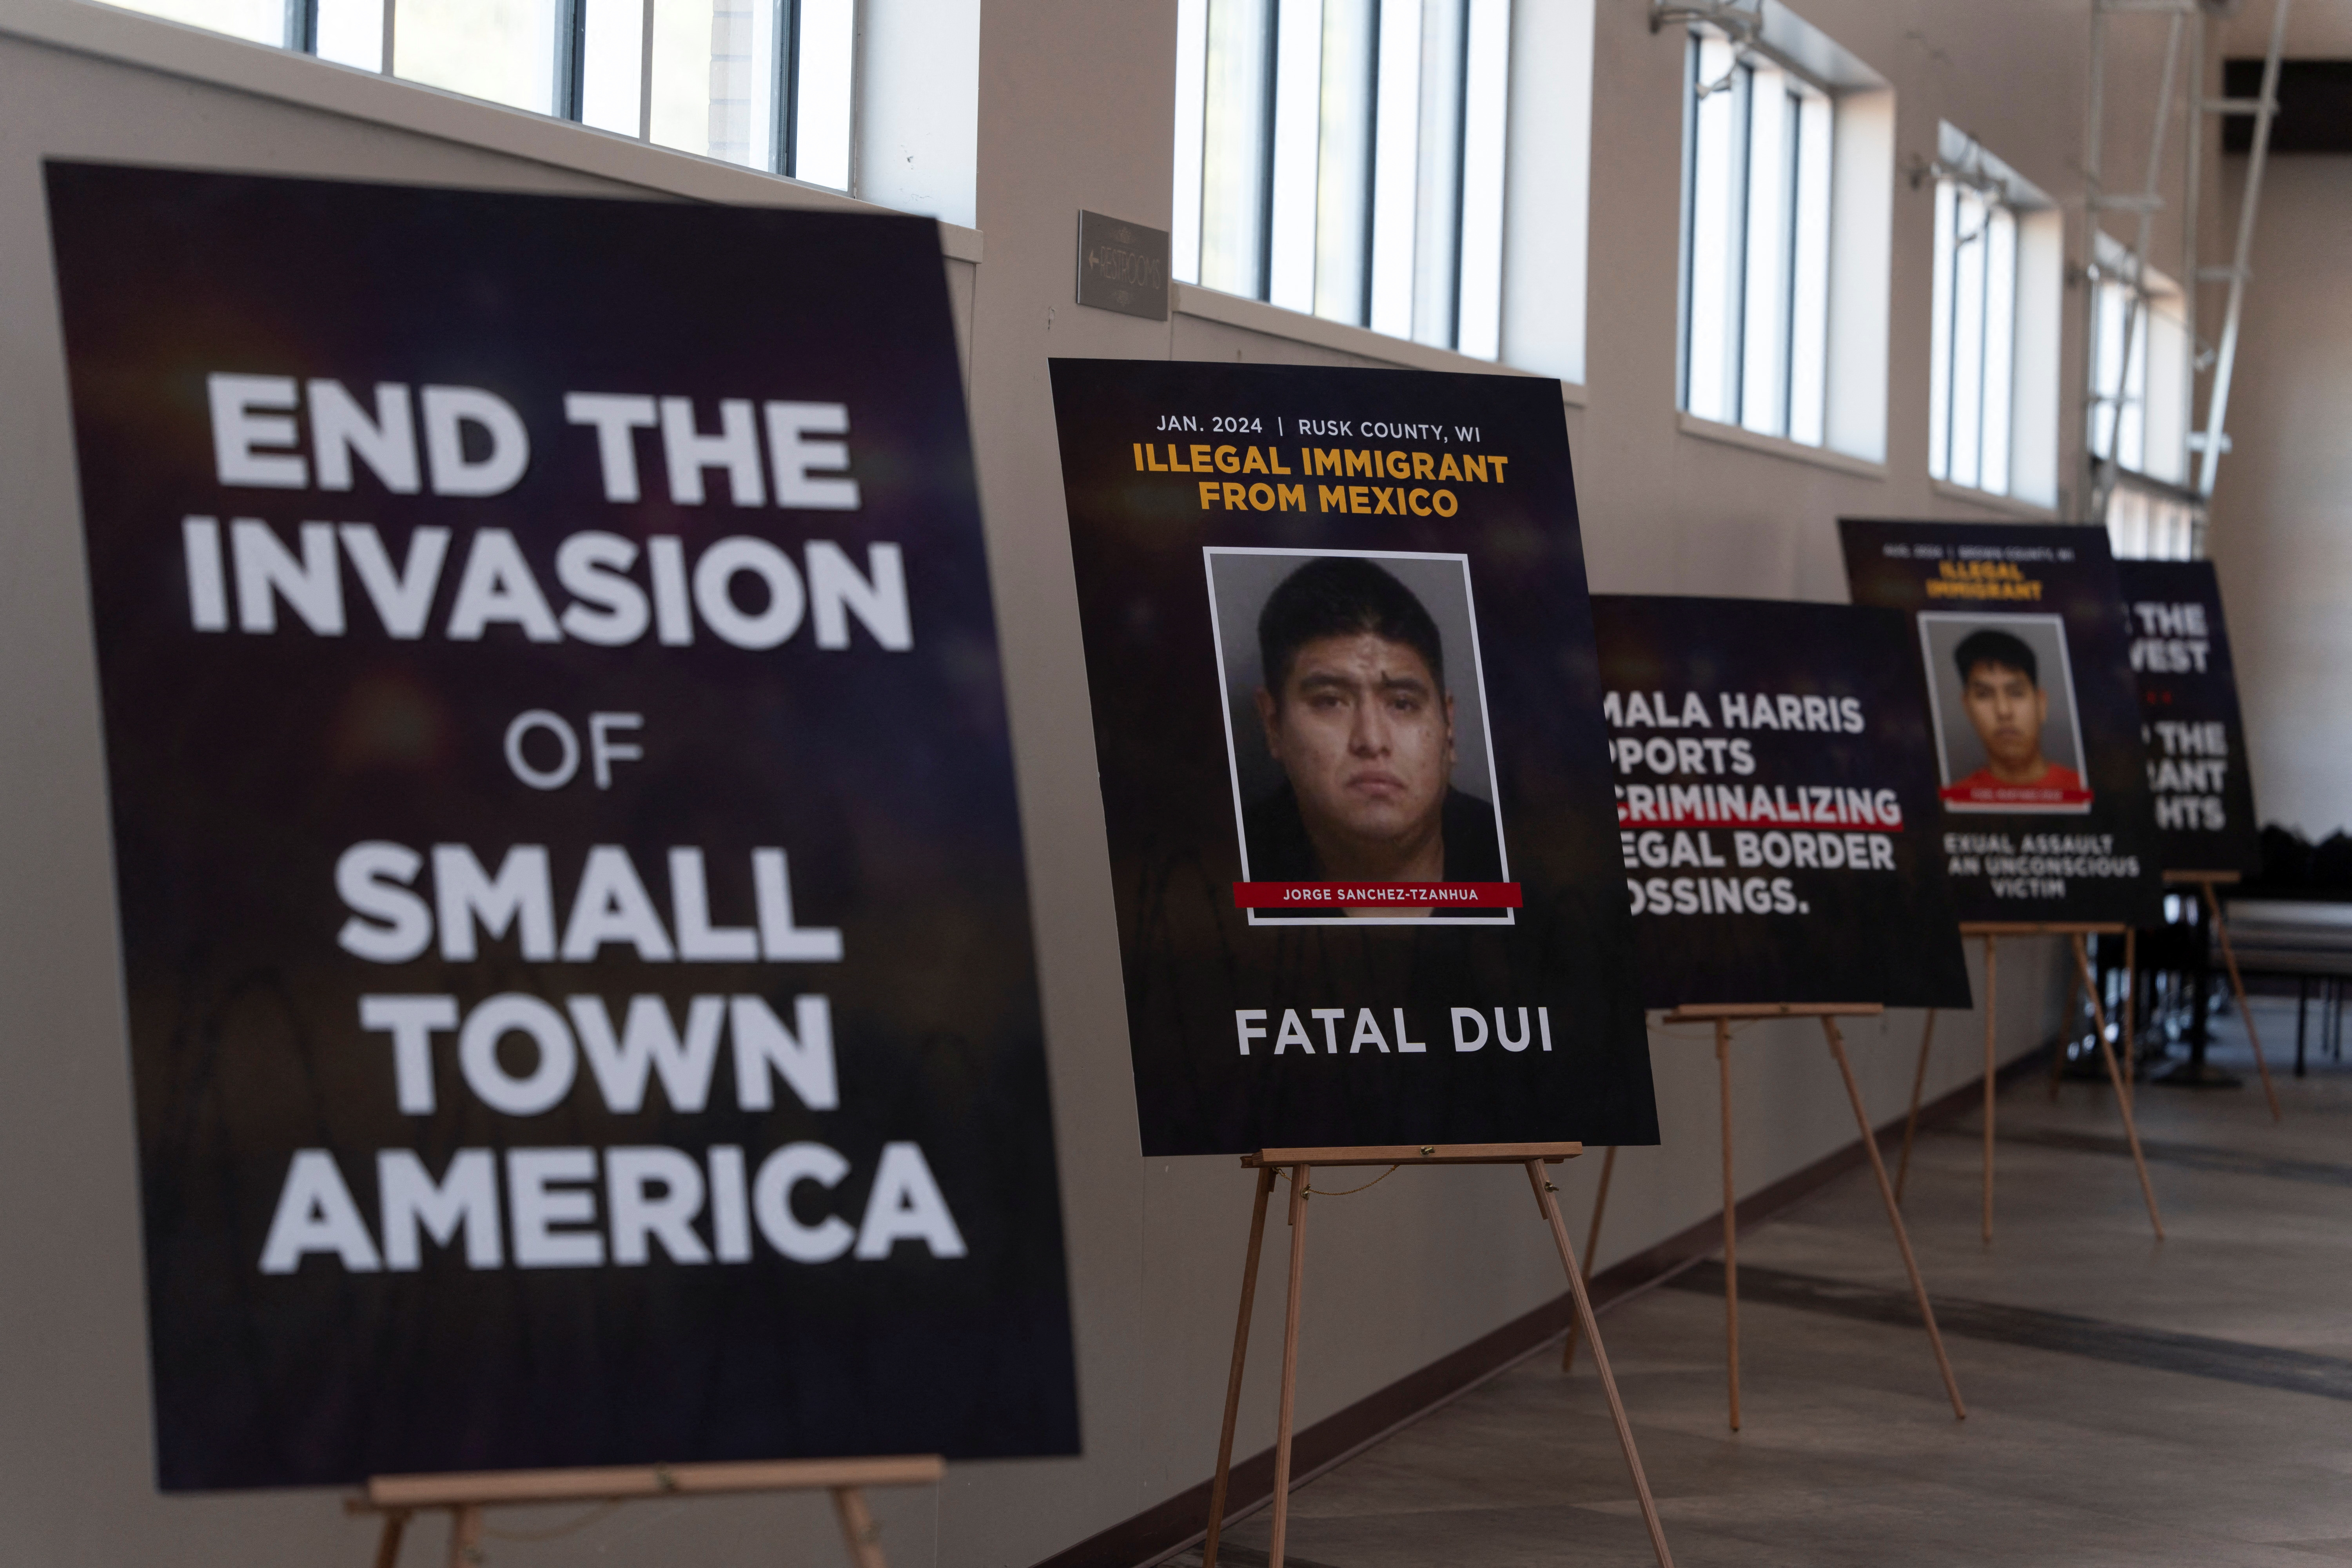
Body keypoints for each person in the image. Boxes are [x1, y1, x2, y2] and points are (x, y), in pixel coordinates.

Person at [1241, 556, 1503, 918]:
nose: (1372, 740)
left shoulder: (1527, 859)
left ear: (1449, 728)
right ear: (1273, 725)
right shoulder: (1221, 878)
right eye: (1331, 701)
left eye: (1402, 703)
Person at [1946, 626, 2087, 803]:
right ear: (1967, 708)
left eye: (2017, 693)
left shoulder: (2084, 791)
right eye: (1984, 695)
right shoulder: (1954, 799)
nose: (2004, 711)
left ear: (2041, 704)